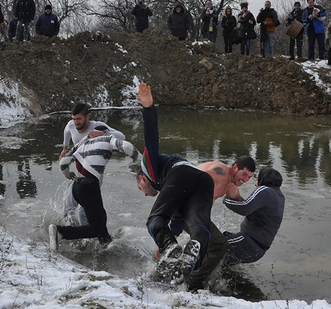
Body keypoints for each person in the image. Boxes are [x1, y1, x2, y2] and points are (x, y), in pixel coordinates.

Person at [136, 82, 214, 284]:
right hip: (204, 180)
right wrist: (174, 236)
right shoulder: (169, 185)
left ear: (142, 178)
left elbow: (151, 140)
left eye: (141, 188)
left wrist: (148, 109)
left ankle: (170, 248)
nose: (145, 193)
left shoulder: (149, 168)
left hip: (180, 174)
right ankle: (190, 256)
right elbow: (178, 215)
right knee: (199, 226)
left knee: (154, 220)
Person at [56, 125, 140, 247]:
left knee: (100, 224)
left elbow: (63, 162)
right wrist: (141, 163)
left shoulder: (82, 143)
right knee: (97, 228)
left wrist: (68, 174)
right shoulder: (108, 138)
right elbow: (126, 146)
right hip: (89, 186)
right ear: (104, 132)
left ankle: (106, 248)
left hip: (76, 185)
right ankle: (61, 232)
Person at [183, 156, 256, 291]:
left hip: (196, 216)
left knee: (211, 242)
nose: (245, 180)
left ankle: (186, 269)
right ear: (235, 167)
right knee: (220, 244)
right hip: (185, 211)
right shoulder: (218, 173)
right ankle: (192, 284)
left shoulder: (230, 185)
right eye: (244, 174)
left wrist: (260, 213)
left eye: (249, 177)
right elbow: (187, 178)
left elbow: (242, 203)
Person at [59, 103, 126, 225]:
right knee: (67, 211)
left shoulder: (97, 126)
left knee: (82, 213)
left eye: (79, 119)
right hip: (78, 175)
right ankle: (72, 235)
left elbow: (122, 136)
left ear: (87, 117)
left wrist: (104, 133)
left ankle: (89, 238)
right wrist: (65, 147)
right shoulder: (71, 125)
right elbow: (67, 130)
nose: (76, 122)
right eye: (74, 119)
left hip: (93, 176)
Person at [222, 166, 285, 267]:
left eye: (257, 179)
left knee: (215, 244)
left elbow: (245, 208)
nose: (256, 183)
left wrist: (227, 198)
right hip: (257, 249)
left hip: (248, 242)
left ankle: (193, 276)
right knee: (221, 262)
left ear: (264, 179)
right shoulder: (279, 196)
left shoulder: (264, 189)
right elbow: (253, 210)